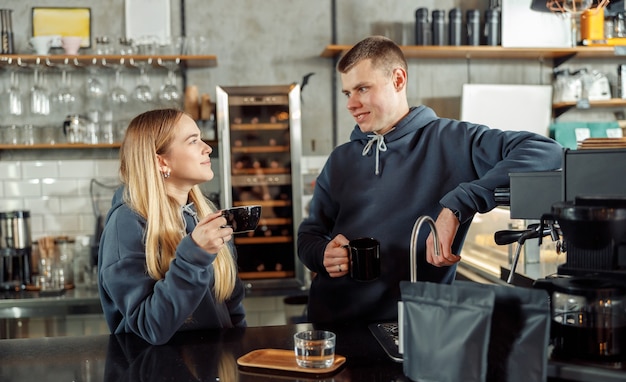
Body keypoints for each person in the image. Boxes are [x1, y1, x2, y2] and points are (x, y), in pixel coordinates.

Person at [297, 36, 563, 325]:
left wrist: (460, 203)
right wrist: (322, 254)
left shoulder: (454, 141)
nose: (351, 103)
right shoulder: (340, 159)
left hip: (413, 327)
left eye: (362, 88)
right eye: (347, 92)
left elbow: (545, 151)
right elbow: (309, 236)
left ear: (398, 80)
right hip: (330, 325)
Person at [98, 108, 246, 345]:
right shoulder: (126, 224)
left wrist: (237, 354)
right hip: (154, 375)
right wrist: (195, 255)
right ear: (161, 160)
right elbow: (150, 326)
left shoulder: (202, 213)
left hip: (215, 372)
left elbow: (231, 306)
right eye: (193, 141)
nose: (207, 148)